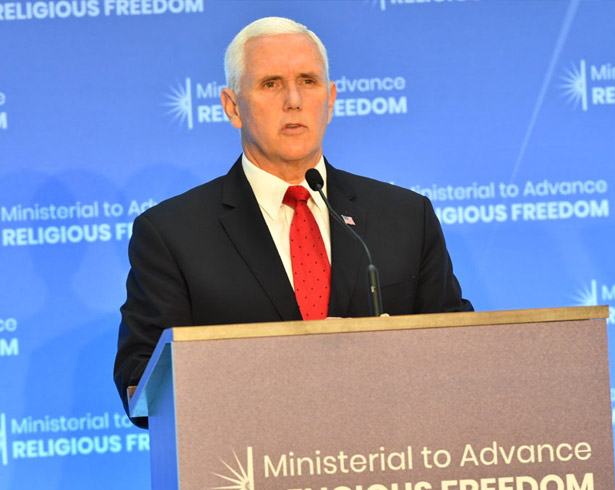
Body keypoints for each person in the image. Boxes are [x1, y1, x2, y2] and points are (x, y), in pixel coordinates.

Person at [114, 16, 473, 428]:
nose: (294, 101)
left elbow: (457, 352)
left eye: (308, 81)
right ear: (232, 107)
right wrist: (288, 366)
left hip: (387, 454)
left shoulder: (408, 216)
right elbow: (141, 381)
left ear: (332, 98)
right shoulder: (172, 233)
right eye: (270, 84)